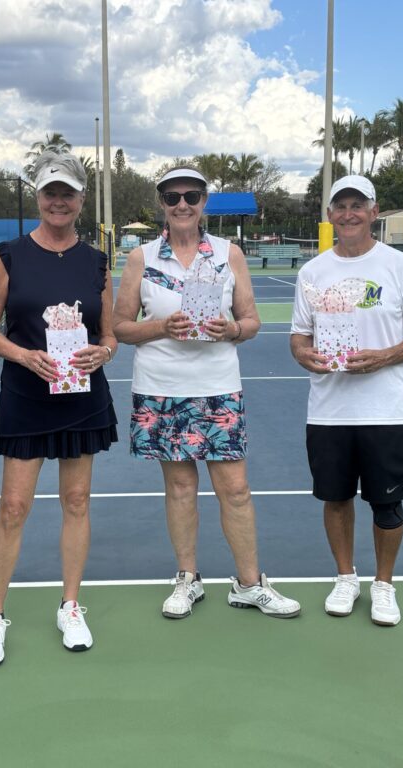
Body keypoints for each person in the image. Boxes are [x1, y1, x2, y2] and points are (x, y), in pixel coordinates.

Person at [112, 167, 300, 620]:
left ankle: (250, 584)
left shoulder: (228, 254)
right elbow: (119, 327)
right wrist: (162, 326)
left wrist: (231, 329)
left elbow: (251, 322)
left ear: (204, 202)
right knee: (180, 487)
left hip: (217, 388)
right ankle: (187, 578)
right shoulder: (140, 257)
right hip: (160, 388)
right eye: (172, 196)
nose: (182, 204)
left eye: (191, 196)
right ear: (161, 203)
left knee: (235, 489)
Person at [0, 150, 117, 666]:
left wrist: (103, 353)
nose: (59, 201)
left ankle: (70, 606)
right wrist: (23, 356)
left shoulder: (97, 262)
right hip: (26, 395)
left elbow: (109, 334)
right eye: (50, 192)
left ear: (81, 199)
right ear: (38, 197)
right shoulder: (9, 256)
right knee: (13, 507)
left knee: (76, 501)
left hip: (82, 397)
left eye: (67, 193)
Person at [289, 175, 403, 626]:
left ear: (373, 212)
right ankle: (345, 577)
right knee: (335, 500)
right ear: (330, 214)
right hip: (328, 411)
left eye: (357, 205)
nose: (348, 214)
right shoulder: (312, 273)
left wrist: (384, 357)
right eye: (341, 206)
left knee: (387, 505)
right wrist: (305, 356)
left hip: (386, 411)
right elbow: (299, 338)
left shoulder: (400, 266)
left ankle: (384, 585)